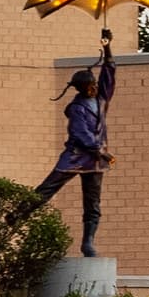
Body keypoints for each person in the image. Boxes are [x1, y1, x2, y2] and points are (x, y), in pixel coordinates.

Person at [33, 42, 116, 256]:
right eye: (91, 86)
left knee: (93, 203)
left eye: (96, 84)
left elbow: (109, 73)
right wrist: (101, 150)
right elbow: (82, 135)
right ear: (82, 88)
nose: (95, 87)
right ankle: (18, 212)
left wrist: (107, 48)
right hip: (76, 157)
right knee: (48, 188)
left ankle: (88, 241)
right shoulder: (77, 109)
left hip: (94, 162)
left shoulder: (101, 100)